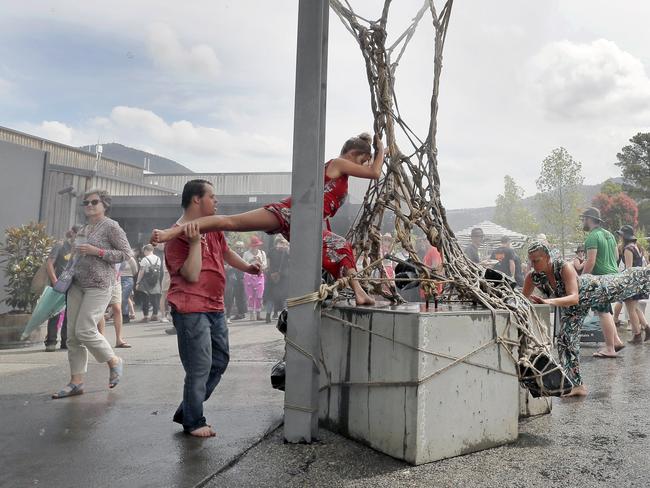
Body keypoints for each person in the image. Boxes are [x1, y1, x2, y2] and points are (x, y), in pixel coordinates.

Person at [151, 133, 384, 306]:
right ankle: (172, 232)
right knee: (229, 222)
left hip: (308, 225)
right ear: (353, 154)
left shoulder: (340, 168)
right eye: (362, 161)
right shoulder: (338, 163)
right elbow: (375, 173)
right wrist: (382, 148)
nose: (361, 167)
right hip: (289, 212)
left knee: (342, 246)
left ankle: (359, 292)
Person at [165, 179, 261, 437]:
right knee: (200, 366)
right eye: (212, 197)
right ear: (196, 199)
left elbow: (227, 253)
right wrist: (195, 243)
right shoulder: (176, 236)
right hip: (190, 308)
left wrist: (248, 267)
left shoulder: (213, 228)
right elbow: (192, 275)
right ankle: (193, 421)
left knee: (220, 360)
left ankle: (188, 409)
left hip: (215, 306)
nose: (216, 201)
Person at [523, 241, 650, 396]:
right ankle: (577, 386)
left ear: (547, 257)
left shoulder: (564, 267)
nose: (533, 264)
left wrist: (548, 301)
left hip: (595, 289)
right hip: (575, 308)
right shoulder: (533, 277)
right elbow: (522, 299)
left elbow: (574, 297)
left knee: (629, 280)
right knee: (565, 339)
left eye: (537, 260)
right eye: (531, 260)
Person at [52, 189, 131, 399]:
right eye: (85, 202)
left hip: (99, 284)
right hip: (77, 283)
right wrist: (66, 276)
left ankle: (114, 361)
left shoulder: (111, 226)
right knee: (72, 336)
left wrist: (99, 252)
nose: (89, 205)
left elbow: (126, 254)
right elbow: (76, 256)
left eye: (94, 202)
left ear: (104, 204)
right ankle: (76, 382)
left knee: (85, 329)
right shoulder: (84, 229)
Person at [580, 207, 625, 356]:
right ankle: (616, 341)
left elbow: (591, 261)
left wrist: (582, 278)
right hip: (613, 276)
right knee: (607, 311)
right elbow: (616, 257)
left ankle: (610, 349)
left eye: (583, 219)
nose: (582, 221)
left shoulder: (593, 236)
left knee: (602, 312)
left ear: (589, 219)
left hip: (600, 278)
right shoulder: (609, 235)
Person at [44, 226, 79, 351]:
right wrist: (55, 282)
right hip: (59, 284)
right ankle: (51, 341)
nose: (79, 238)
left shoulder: (80, 248)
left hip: (73, 285)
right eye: (78, 234)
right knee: (55, 312)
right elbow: (49, 264)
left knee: (70, 314)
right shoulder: (60, 245)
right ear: (73, 233)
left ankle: (65, 341)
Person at [616, 225, 650, 343]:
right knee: (635, 308)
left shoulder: (628, 249)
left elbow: (629, 269)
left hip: (632, 282)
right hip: (638, 281)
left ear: (625, 236)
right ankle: (646, 327)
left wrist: (622, 281)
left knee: (631, 309)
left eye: (621, 235)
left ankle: (637, 335)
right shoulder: (636, 247)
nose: (620, 237)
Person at [97, 257, 138, 348]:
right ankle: (102, 340)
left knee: (117, 308)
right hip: (102, 280)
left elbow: (128, 259)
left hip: (116, 280)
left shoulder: (120, 246)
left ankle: (119, 339)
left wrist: (121, 273)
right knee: (101, 309)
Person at [264, 235, 290, 323]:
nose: (281, 244)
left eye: (283, 242)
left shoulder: (286, 251)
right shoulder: (271, 251)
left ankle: (283, 316)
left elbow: (268, 266)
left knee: (283, 297)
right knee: (272, 297)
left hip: (281, 277)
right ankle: (268, 316)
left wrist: (271, 273)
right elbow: (268, 265)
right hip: (275, 277)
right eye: (280, 242)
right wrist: (272, 274)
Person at [243, 235, 267, 321]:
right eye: (253, 245)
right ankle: (251, 314)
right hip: (248, 276)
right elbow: (243, 264)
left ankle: (258, 314)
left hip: (259, 275)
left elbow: (265, 265)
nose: (255, 247)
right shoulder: (246, 254)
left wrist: (260, 261)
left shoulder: (262, 253)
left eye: (256, 245)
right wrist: (250, 261)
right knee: (250, 295)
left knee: (259, 295)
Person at [136, 244, 162, 322]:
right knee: (155, 298)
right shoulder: (158, 258)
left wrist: (138, 282)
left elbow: (141, 271)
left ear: (146, 250)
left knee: (145, 298)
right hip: (155, 280)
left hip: (146, 280)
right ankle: (155, 315)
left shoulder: (144, 259)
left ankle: (146, 316)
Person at [225, 241, 248, 322]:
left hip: (241, 277)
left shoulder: (244, 255)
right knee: (232, 296)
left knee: (241, 297)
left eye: (240, 247)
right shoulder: (232, 254)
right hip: (232, 278)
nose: (239, 249)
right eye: (237, 247)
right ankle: (237, 313)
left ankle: (242, 313)